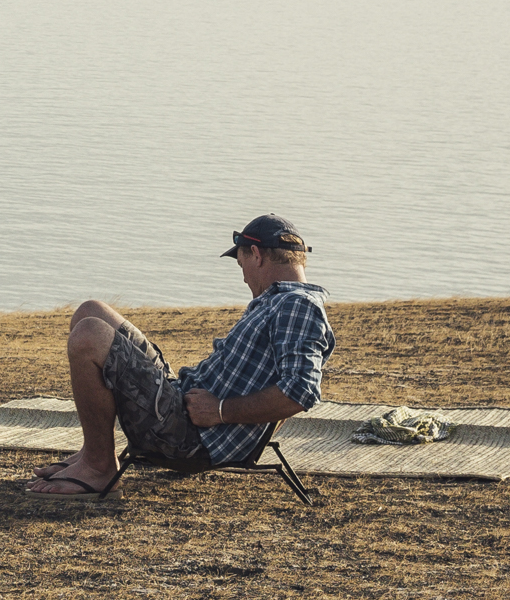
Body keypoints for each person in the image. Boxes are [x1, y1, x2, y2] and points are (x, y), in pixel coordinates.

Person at [30, 213, 334, 497]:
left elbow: (299, 392)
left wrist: (220, 411)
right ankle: (92, 451)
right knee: (90, 311)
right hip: (179, 402)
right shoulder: (280, 302)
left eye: (241, 265)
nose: (243, 278)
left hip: (189, 436)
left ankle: (99, 467)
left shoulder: (297, 306)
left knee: (88, 335)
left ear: (256, 254)